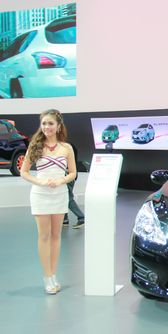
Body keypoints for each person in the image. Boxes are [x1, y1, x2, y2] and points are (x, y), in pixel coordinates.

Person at [20, 109, 76, 295]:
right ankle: (47, 277)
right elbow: (24, 172)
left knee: (56, 236)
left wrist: (61, 181)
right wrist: (41, 181)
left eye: (50, 123)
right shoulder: (35, 146)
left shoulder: (66, 148)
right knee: (44, 236)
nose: (46, 127)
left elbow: (73, 173)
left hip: (59, 194)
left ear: (58, 126)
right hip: (40, 195)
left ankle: (53, 275)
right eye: (44, 123)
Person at [63, 143, 85, 229]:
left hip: (68, 175)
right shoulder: (69, 145)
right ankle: (64, 220)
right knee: (64, 197)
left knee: (68, 198)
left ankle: (82, 217)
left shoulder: (66, 146)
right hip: (70, 174)